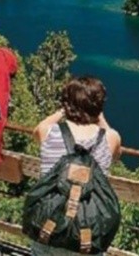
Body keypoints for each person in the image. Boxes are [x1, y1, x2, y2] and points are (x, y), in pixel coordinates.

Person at [31, 76, 122, 256]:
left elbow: (38, 129)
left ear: (66, 103)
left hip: (47, 230)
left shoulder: (48, 132)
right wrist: (99, 115)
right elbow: (117, 154)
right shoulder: (110, 139)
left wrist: (63, 112)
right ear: (99, 105)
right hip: (86, 236)